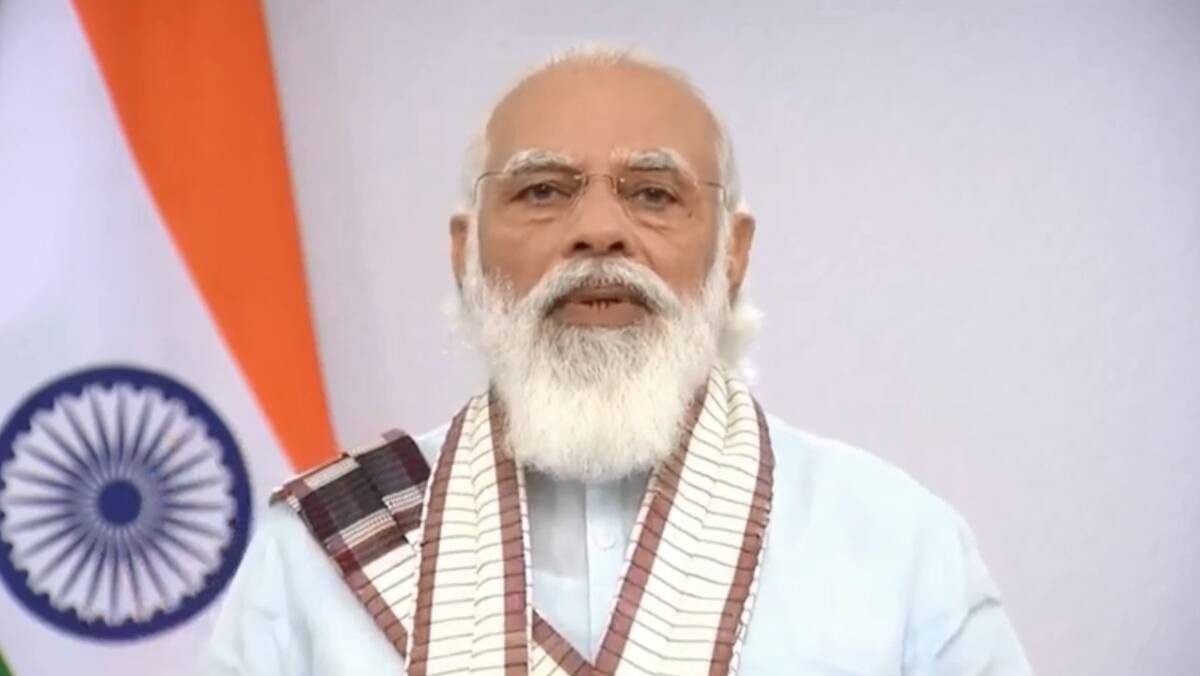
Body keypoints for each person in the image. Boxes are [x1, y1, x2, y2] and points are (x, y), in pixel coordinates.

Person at [203, 46, 1032, 675]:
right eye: (542, 191)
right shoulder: (313, 557)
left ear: (733, 253)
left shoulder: (899, 544)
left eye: (653, 193)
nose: (599, 231)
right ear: (465, 253)